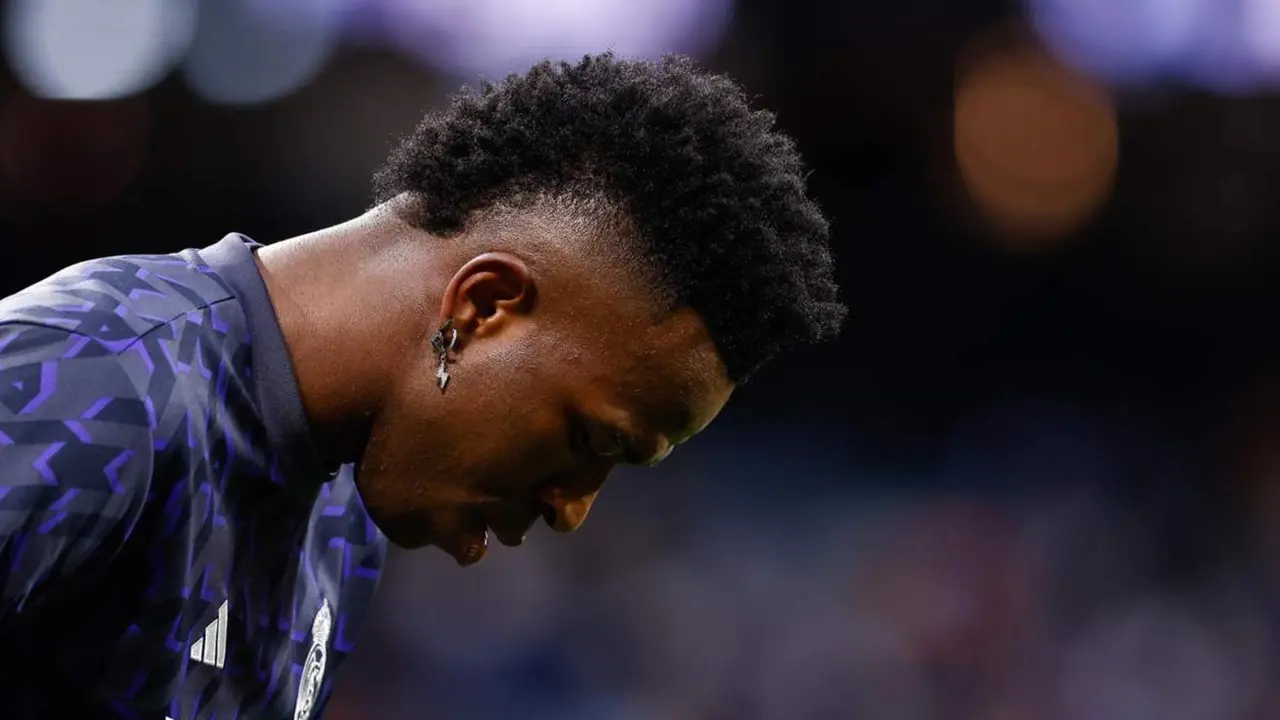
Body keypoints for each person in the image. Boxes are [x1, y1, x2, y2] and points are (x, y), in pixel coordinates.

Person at [0, 53, 844, 718]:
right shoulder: (96, 383)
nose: (573, 509)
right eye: (591, 441)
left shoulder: (342, 518)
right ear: (482, 306)